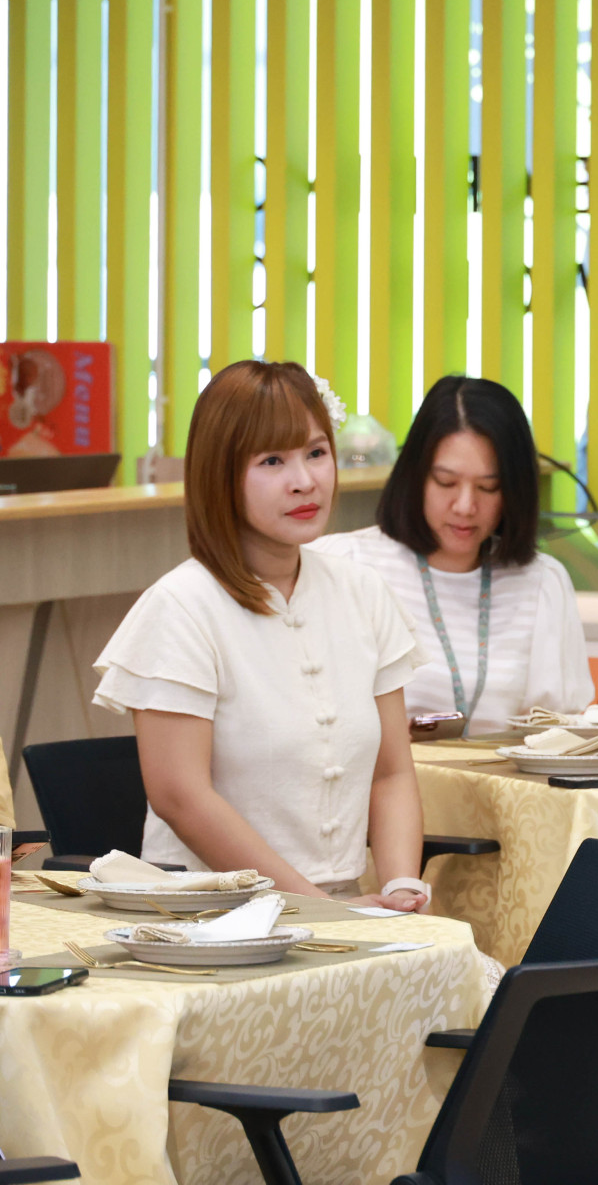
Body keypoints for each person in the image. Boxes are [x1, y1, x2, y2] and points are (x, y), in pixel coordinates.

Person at [92, 361, 431, 910]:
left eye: (316, 452)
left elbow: (391, 773)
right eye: (272, 461)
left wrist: (401, 888)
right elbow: (181, 797)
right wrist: (322, 910)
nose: (305, 480)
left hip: (346, 913)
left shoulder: (363, 591)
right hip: (208, 914)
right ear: (220, 475)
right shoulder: (181, 607)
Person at [311, 375, 591, 735]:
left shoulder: (541, 583)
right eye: (446, 482)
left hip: (503, 774)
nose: (465, 506)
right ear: (416, 476)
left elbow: (561, 731)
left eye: (488, 487)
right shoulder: (346, 564)